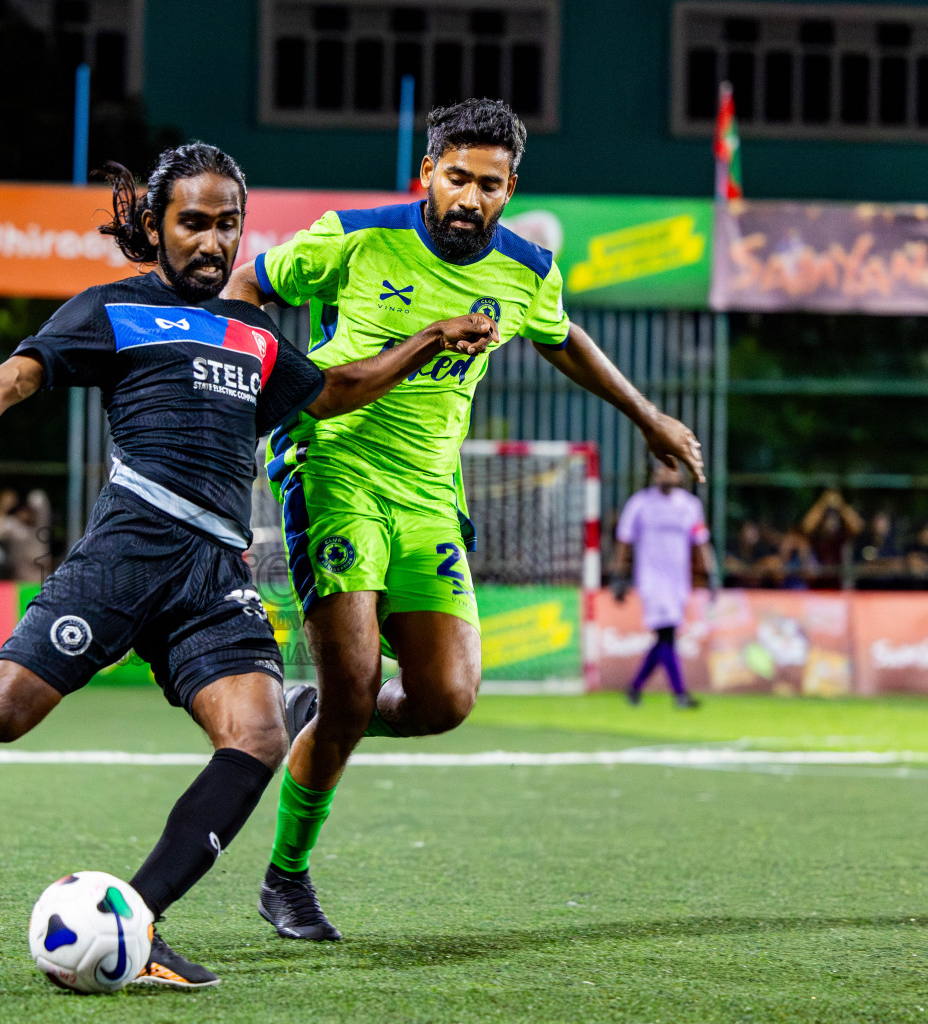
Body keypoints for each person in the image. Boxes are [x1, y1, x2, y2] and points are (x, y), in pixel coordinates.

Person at [0, 142, 497, 988]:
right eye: (193, 223)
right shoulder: (110, 312)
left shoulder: (258, 334)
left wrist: (427, 339)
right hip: (130, 549)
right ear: (154, 226)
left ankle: (141, 923)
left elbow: (334, 392)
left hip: (214, 573)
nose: (212, 242)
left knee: (262, 734)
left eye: (227, 224)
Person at [224, 97, 706, 942]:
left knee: (446, 698)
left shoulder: (526, 272)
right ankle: (286, 879)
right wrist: (262, 385)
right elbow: (247, 285)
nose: (470, 197)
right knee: (353, 688)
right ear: (427, 176)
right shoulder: (356, 236)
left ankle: (325, 706)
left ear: (510, 188)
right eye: (456, 178)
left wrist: (648, 416)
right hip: (332, 469)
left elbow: (563, 340)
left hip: (431, 498)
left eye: (489, 184)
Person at [611, 461, 715, 707]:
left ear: (679, 475)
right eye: (659, 470)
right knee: (666, 635)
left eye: (670, 470)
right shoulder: (640, 504)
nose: (664, 475)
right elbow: (624, 541)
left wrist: (710, 575)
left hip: (678, 582)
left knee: (664, 638)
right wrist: (619, 575)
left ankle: (635, 688)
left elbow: (701, 541)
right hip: (651, 580)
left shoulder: (690, 506)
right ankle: (680, 694)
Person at [0, 489, 52, 582]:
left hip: (42, 583)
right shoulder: (13, 526)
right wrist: (3, 506)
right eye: (23, 510)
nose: (26, 513)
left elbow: (39, 499)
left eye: (29, 510)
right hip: (20, 584)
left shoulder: (41, 525)